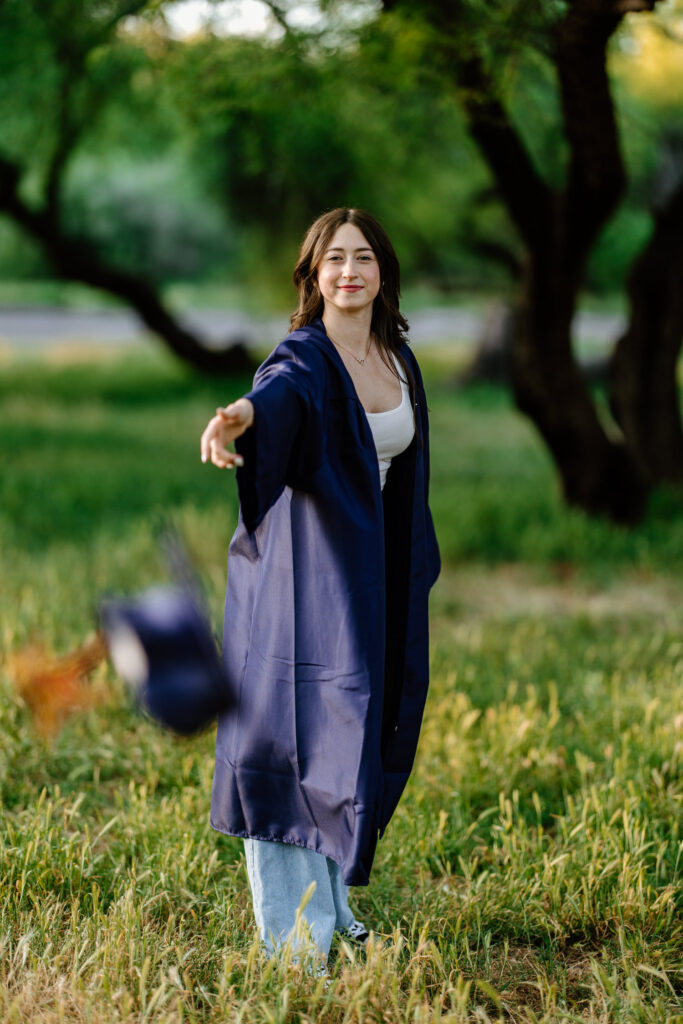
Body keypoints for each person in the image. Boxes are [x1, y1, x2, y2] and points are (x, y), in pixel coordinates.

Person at [199, 207, 440, 969]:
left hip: (371, 574)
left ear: (381, 271)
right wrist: (241, 415)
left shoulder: (396, 357)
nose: (348, 271)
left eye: (362, 257)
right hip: (304, 580)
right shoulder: (303, 357)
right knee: (283, 742)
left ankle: (332, 913)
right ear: (312, 275)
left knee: (352, 733)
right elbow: (279, 396)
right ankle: (294, 945)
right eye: (333, 258)